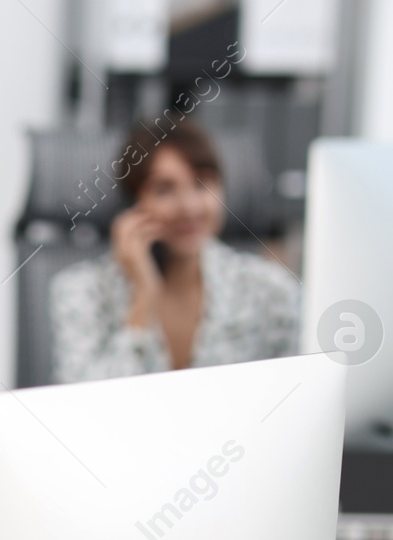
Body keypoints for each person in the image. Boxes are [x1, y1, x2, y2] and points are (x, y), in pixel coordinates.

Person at [49, 119, 299, 383]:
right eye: (164, 189)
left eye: (202, 184)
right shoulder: (80, 291)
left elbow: (295, 398)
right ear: (133, 204)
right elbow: (82, 408)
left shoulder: (271, 289)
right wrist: (143, 302)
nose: (189, 208)